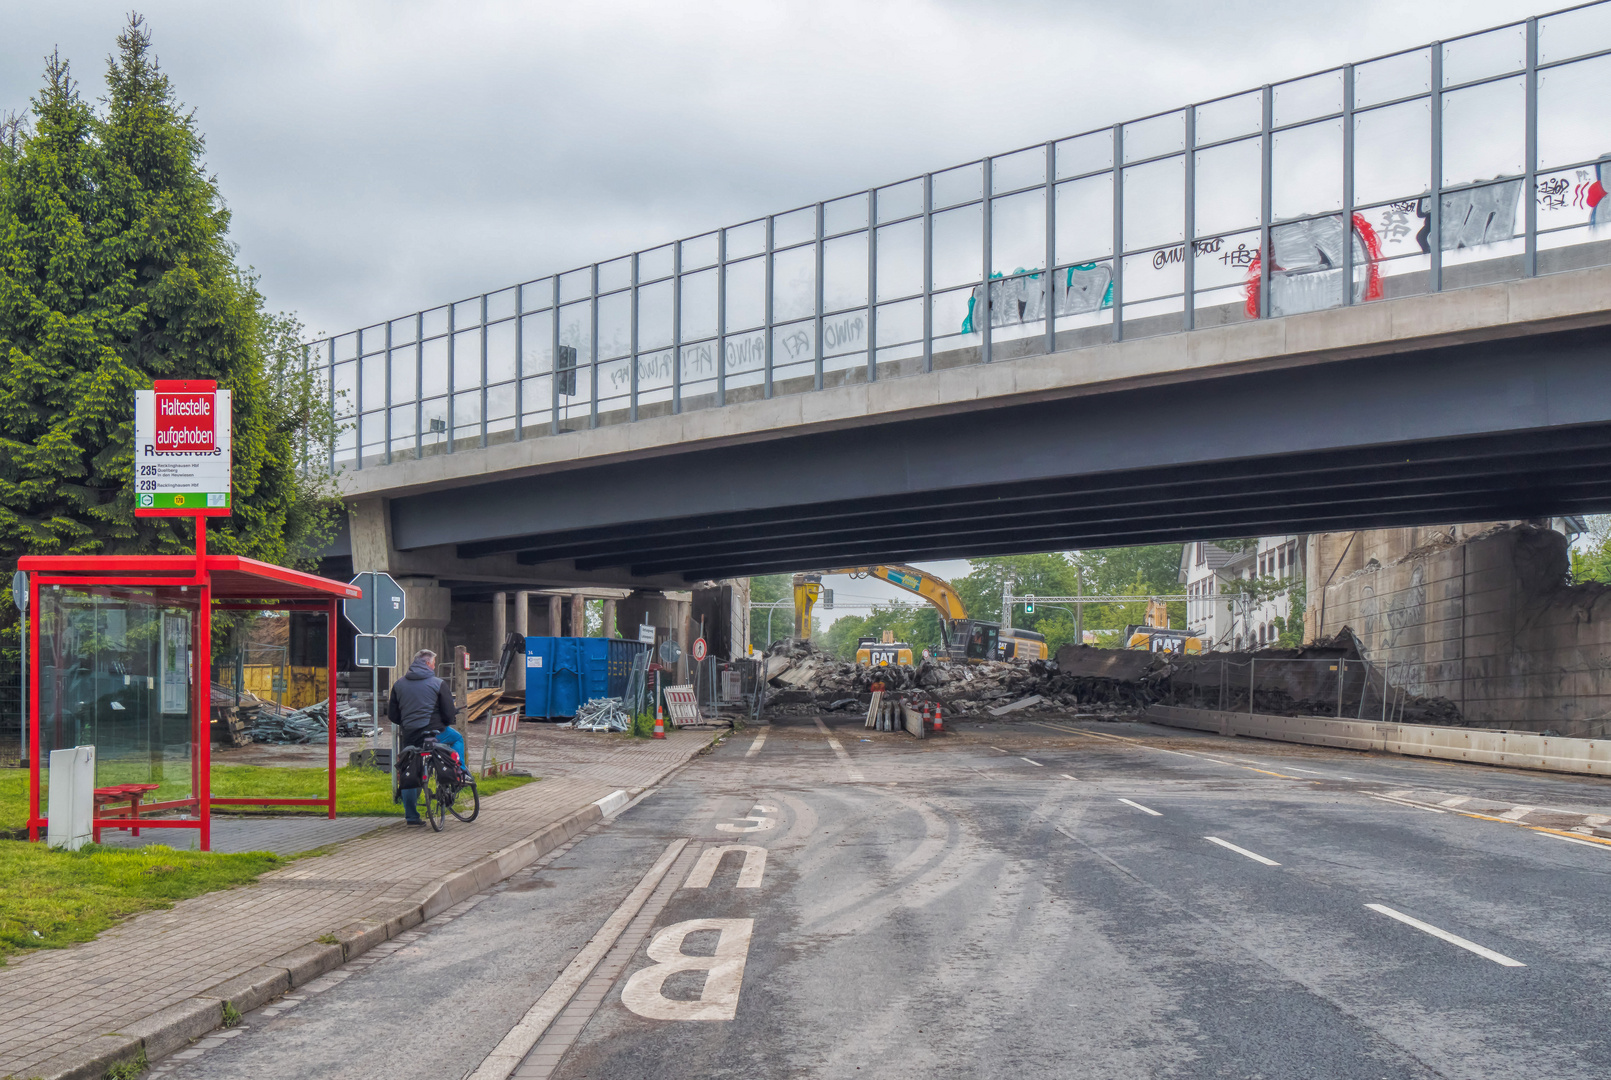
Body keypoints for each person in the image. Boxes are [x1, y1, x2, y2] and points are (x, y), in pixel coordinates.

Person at [386, 648, 465, 826]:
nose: (434, 667)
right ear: (428, 664)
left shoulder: (399, 684)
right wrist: (447, 720)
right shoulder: (438, 683)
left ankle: (412, 817)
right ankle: (462, 772)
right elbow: (447, 712)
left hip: (411, 736)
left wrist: (407, 724)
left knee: (410, 772)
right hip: (436, 734)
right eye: (434, 663)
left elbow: (392, 714)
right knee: (457, 738)